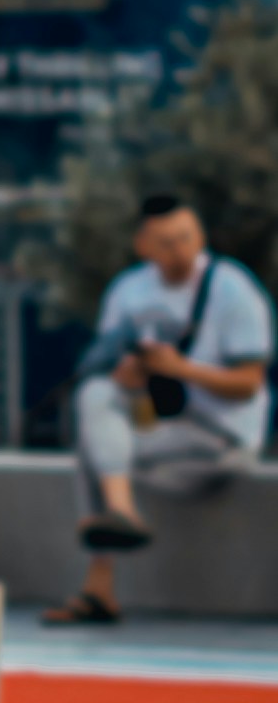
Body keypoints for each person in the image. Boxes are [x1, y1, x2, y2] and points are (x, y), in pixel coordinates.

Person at [55, 190, 274, 622]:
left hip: (222, 438)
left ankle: (103, 577)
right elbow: (105, 370)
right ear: (143, 246)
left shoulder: (233, 290)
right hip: (164, 427)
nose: (181, 251)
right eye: (168, 242)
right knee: (95, 396)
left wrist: (181, 369)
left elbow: (250, 384)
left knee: (93, 452)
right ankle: (121, 512)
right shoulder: (128, 292)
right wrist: (129, 376)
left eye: (188, 238)